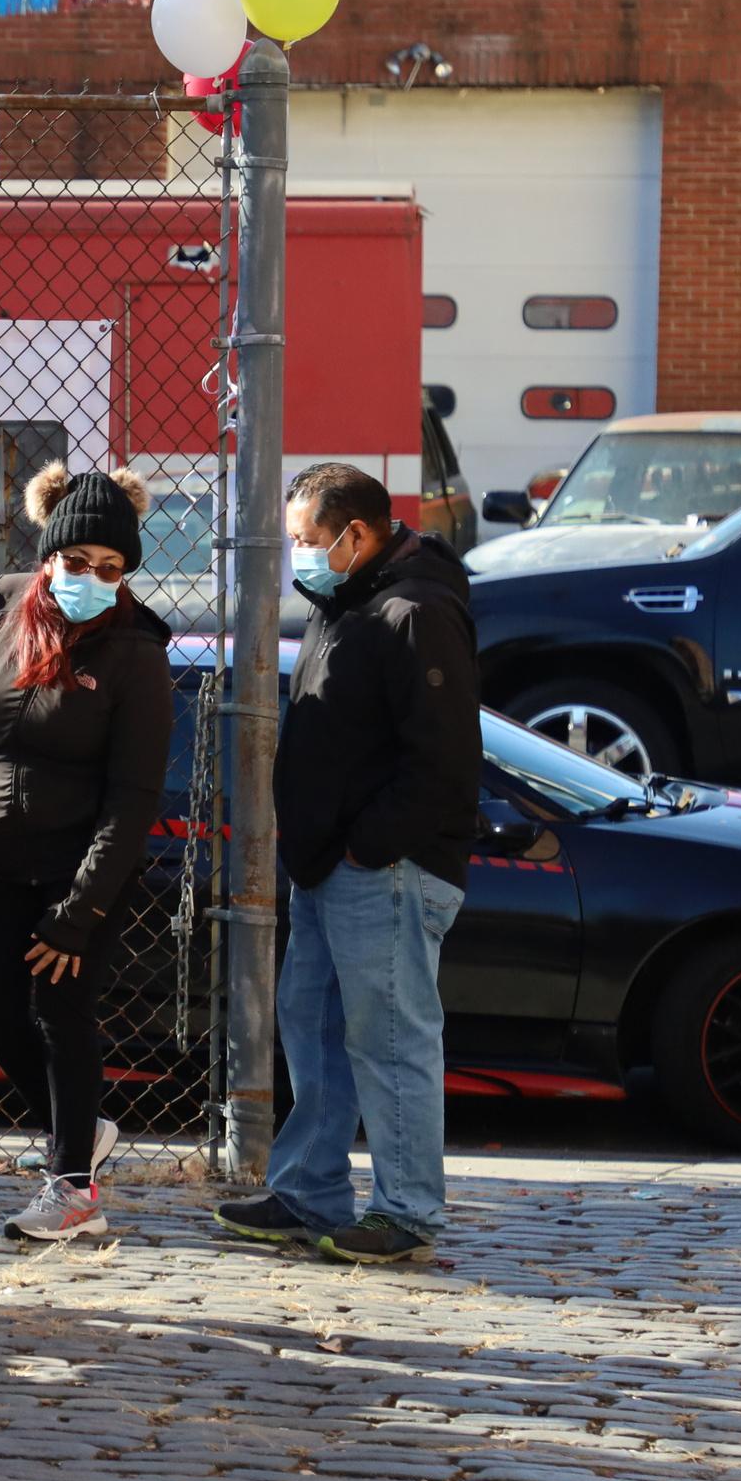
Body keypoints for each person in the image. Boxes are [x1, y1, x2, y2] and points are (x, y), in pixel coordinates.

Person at [213, 462, 481, 1265]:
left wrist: (369, 844)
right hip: (332, 866)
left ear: (356, 535)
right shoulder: (351, 601)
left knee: (389, 1038)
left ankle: (407, 1212)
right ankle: (309, 1190)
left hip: (383, 869)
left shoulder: (414, 611)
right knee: (316, 1029)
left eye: (307, 540)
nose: (298, 554)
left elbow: (442, 761)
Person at [0, 465, 174, 1245]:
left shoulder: (136, 651)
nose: (92, 579)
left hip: (80, 868)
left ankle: (74, 1189)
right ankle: (78, 1131)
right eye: (77, 561)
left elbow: (134, 798)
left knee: (61, 1011)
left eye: (111, 568)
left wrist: (80, 912)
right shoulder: (0, 603)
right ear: (49, 555)